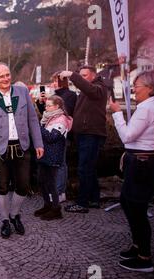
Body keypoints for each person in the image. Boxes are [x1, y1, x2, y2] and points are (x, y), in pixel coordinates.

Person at [109, 70, 154, 272]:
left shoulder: (147, 109)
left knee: (137, 209)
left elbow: (127, 136)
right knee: (129, 202)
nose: (134, 89)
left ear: (150, 88)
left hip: (143, 163)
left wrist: (117, 113)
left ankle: (144, 257)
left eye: (138, 86)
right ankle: (137, 246)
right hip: (145, 161)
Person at [0, 62, 44, 238]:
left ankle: (15, 215)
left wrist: (38, 143)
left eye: (7, 74)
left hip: (22, 146)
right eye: (1, 76)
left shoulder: (22, 92)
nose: (6, 78)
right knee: (2, 186)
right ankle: (5, 219)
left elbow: (32, 120)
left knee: (23, 185)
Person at [59, 66, 108, 213]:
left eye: (85, 75)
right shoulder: (87, 90)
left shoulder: (99, 88)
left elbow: (91, 90)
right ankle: (93, 199)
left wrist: (72, 75)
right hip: (84, 134)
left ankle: (82, 202)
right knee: (89, 169)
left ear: (93, 76)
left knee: (84, 169)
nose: (82, 78)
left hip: (91, 134)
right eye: (80, 76)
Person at [34, 95, 73, 220]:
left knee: (51, 183)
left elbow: (52, 137)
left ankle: (56, 209)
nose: (46, 108)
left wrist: (38, 128)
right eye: (46, 105)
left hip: (54, 156)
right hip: (45, 155)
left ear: (57, 106)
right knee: (41, 181)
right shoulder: (48, 118)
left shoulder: (62, 120)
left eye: (49, 106)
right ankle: (47, 204)